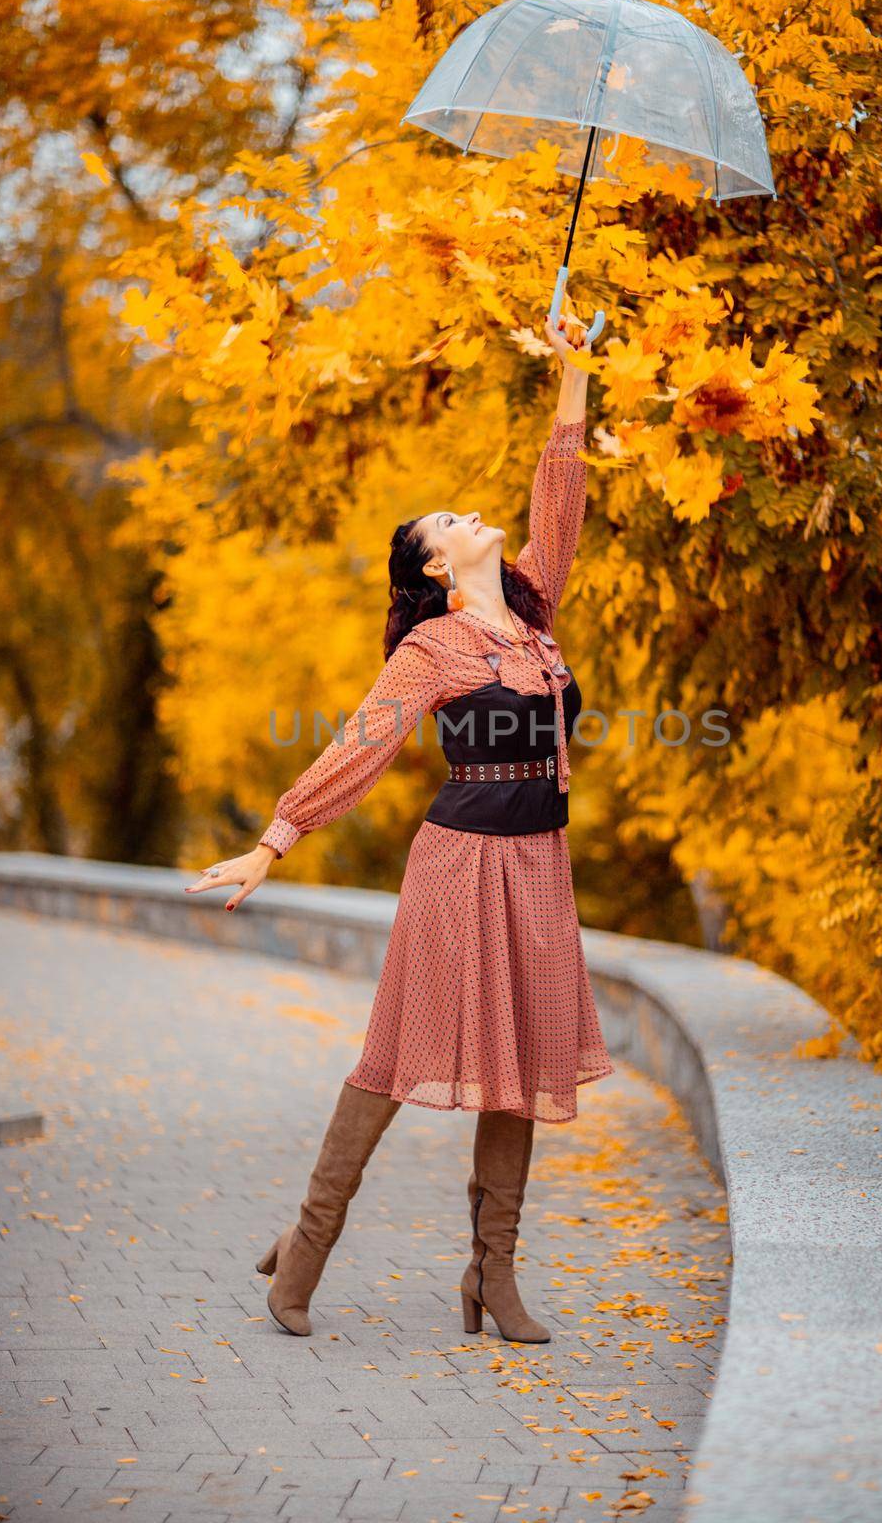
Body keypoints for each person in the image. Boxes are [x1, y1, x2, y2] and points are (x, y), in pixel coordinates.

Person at [184, 310, 616, 1344]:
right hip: (459, 866)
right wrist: (275, 836)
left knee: (520, 1067)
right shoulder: (432, 646)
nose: (471, 516)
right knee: (396, 1053)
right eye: (449, 520)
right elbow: (360, 743)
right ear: (431, 567)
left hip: (539, 864)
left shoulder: (534, 610)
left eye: (466, 509)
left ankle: (490, 1278)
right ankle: (306, 1246)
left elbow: (558, 494)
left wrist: (571, 372)